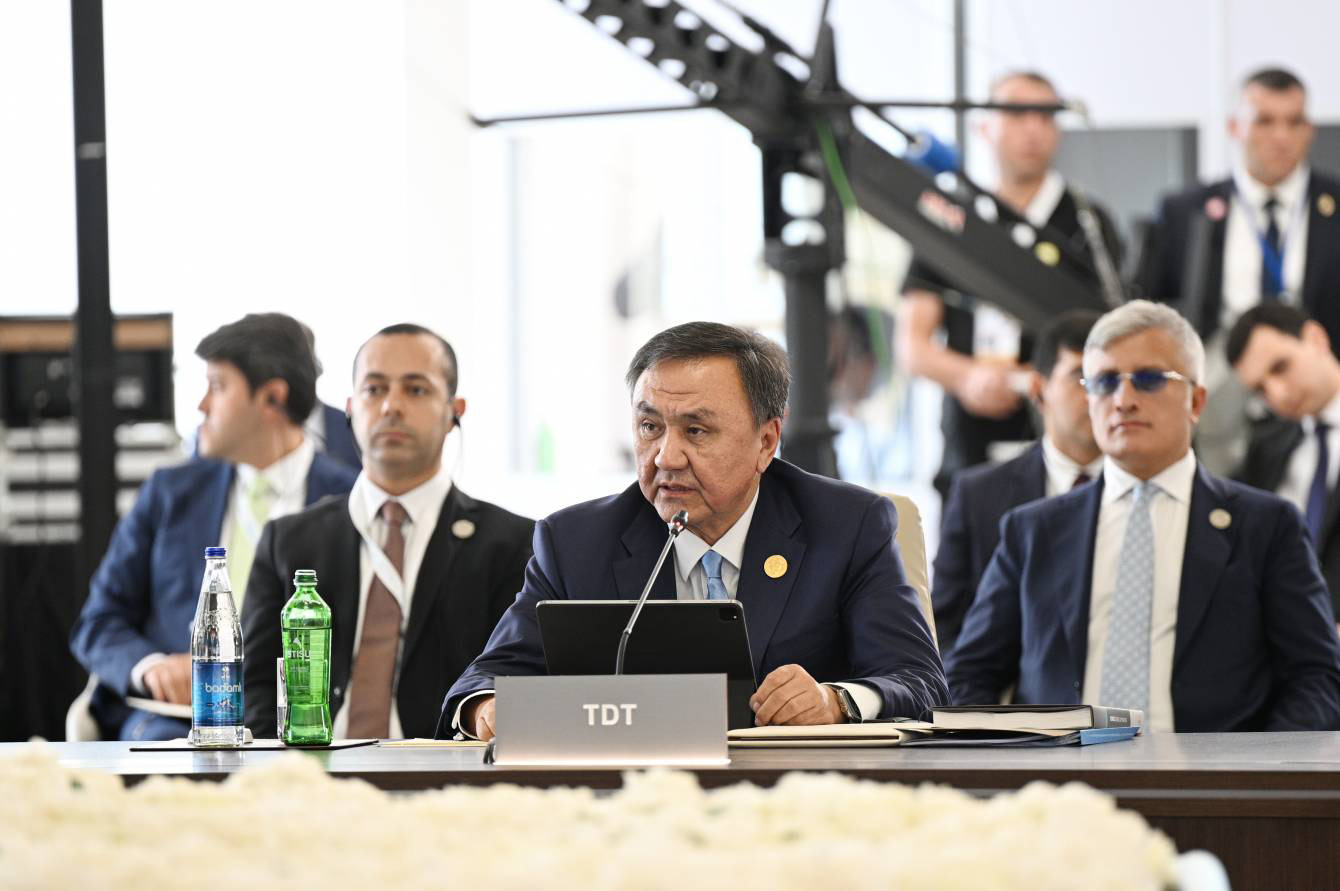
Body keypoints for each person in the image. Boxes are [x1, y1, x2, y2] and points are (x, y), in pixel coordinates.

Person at [443, 321, 947, 741]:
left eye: (696, 431)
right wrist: (487, 708)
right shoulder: (575, 541)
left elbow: (918, 681)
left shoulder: (848, 526)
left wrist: (835, 701)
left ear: (767, 441)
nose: (666, 457)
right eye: (650, 428)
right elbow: (486, 679)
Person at [947, 301, 1340, 732]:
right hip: (1061, 768)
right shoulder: (1032, 530)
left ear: (1196, 401)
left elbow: (1316, 677)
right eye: (1104, 382)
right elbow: (968, 676)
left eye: (1149, 379)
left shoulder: (1266, 526)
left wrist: (1256, 766)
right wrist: (1011, 759)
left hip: (1213, 770)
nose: (1123, 400)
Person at [70, 313, 358, 741]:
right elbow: (98, 619)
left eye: (218, 386)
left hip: (301, 723)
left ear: (272, 397)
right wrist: (151, 668)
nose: (202, 405)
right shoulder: (169, 493)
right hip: (175, 722)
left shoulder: (352, 501)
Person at [241, 323, 533, 739]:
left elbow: (513, 679)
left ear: (455, 411)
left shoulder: (513, 545)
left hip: (442, 766)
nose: (391, 406)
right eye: (374, 389)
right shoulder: (288, 542)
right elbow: (254, 688)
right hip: (310, 764)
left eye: (416, 390)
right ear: (349, 407)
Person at [897, 70, 1123, 499]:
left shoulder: (1088, 224)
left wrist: (1040, 380)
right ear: (984, 126)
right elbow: (912, 345)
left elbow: (1113, 338)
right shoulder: (952, 217)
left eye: (1046, 115)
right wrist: (967, 377)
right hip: (969, 448)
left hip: (1070, 450)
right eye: (1017, 113)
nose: (1033, 128)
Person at [1136, 67, 1340, 473]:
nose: (1280, 136)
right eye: (1264, 121)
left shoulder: (1334, 204)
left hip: (1313, 382)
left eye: (1294, 122)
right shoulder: (1187, 210)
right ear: (1235, 126)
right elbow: (1151, 308)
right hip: (1219, 385)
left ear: (1309, 130)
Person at [932, 310, 1102, 654]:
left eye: (1111, 380)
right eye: (1082, 379)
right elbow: (942, 632)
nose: (1101, 396)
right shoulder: (978, 496)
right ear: (1038, 389)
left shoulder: (1149, 488)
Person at [1227, 303, 1340, 614]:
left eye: (1280, 367)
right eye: (1260, 389)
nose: (1277, 394)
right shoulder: (1266, 448)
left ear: (1316, 338)